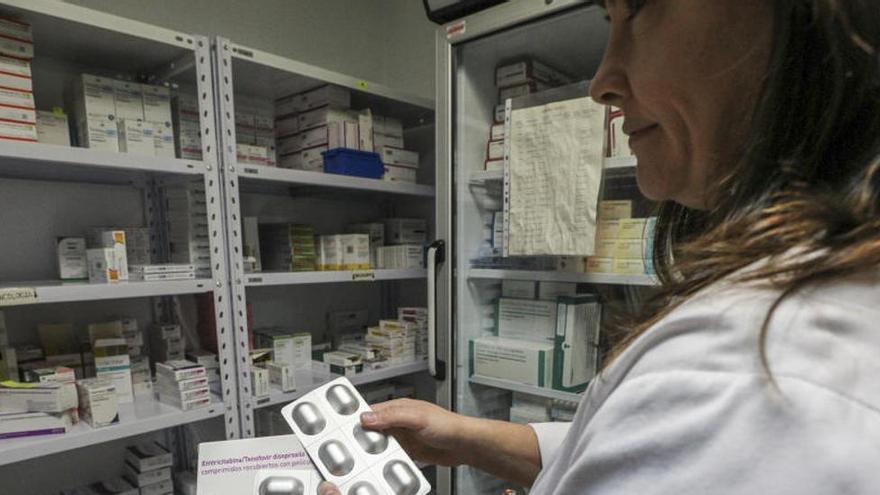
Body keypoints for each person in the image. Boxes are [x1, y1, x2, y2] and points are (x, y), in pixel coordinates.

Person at [320, 0, 880, 493]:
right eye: (606, 18)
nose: (601, 82)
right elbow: (631, 451)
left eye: (638, 6)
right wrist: (469, 437)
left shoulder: (743, 374)